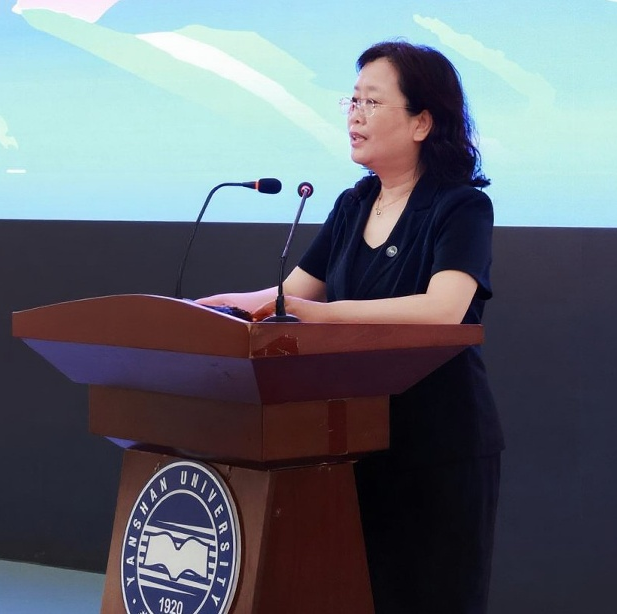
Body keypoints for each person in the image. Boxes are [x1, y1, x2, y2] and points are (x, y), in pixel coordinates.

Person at [198, 40, 503, 613]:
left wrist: (323, 315)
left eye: (372, 101)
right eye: (352, 100)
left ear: (422, 122)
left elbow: (444, 308)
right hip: (351, 440)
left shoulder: (460, 207)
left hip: (437, 444)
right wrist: (215, 307)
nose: (354, 115)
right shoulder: (352, 204)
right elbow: (288, 294)